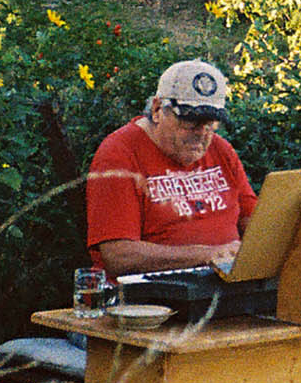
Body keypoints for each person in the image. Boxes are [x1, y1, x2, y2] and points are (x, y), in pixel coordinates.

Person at [87, 60, 257, 277]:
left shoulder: (220, 149)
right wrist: (209, 255)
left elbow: (252, 219)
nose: (202, 134)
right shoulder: (119, 153)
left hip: (224, 285)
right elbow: (119, 256)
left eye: (211, 124)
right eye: (191, 122)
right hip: (152, 295)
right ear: (157, 110)